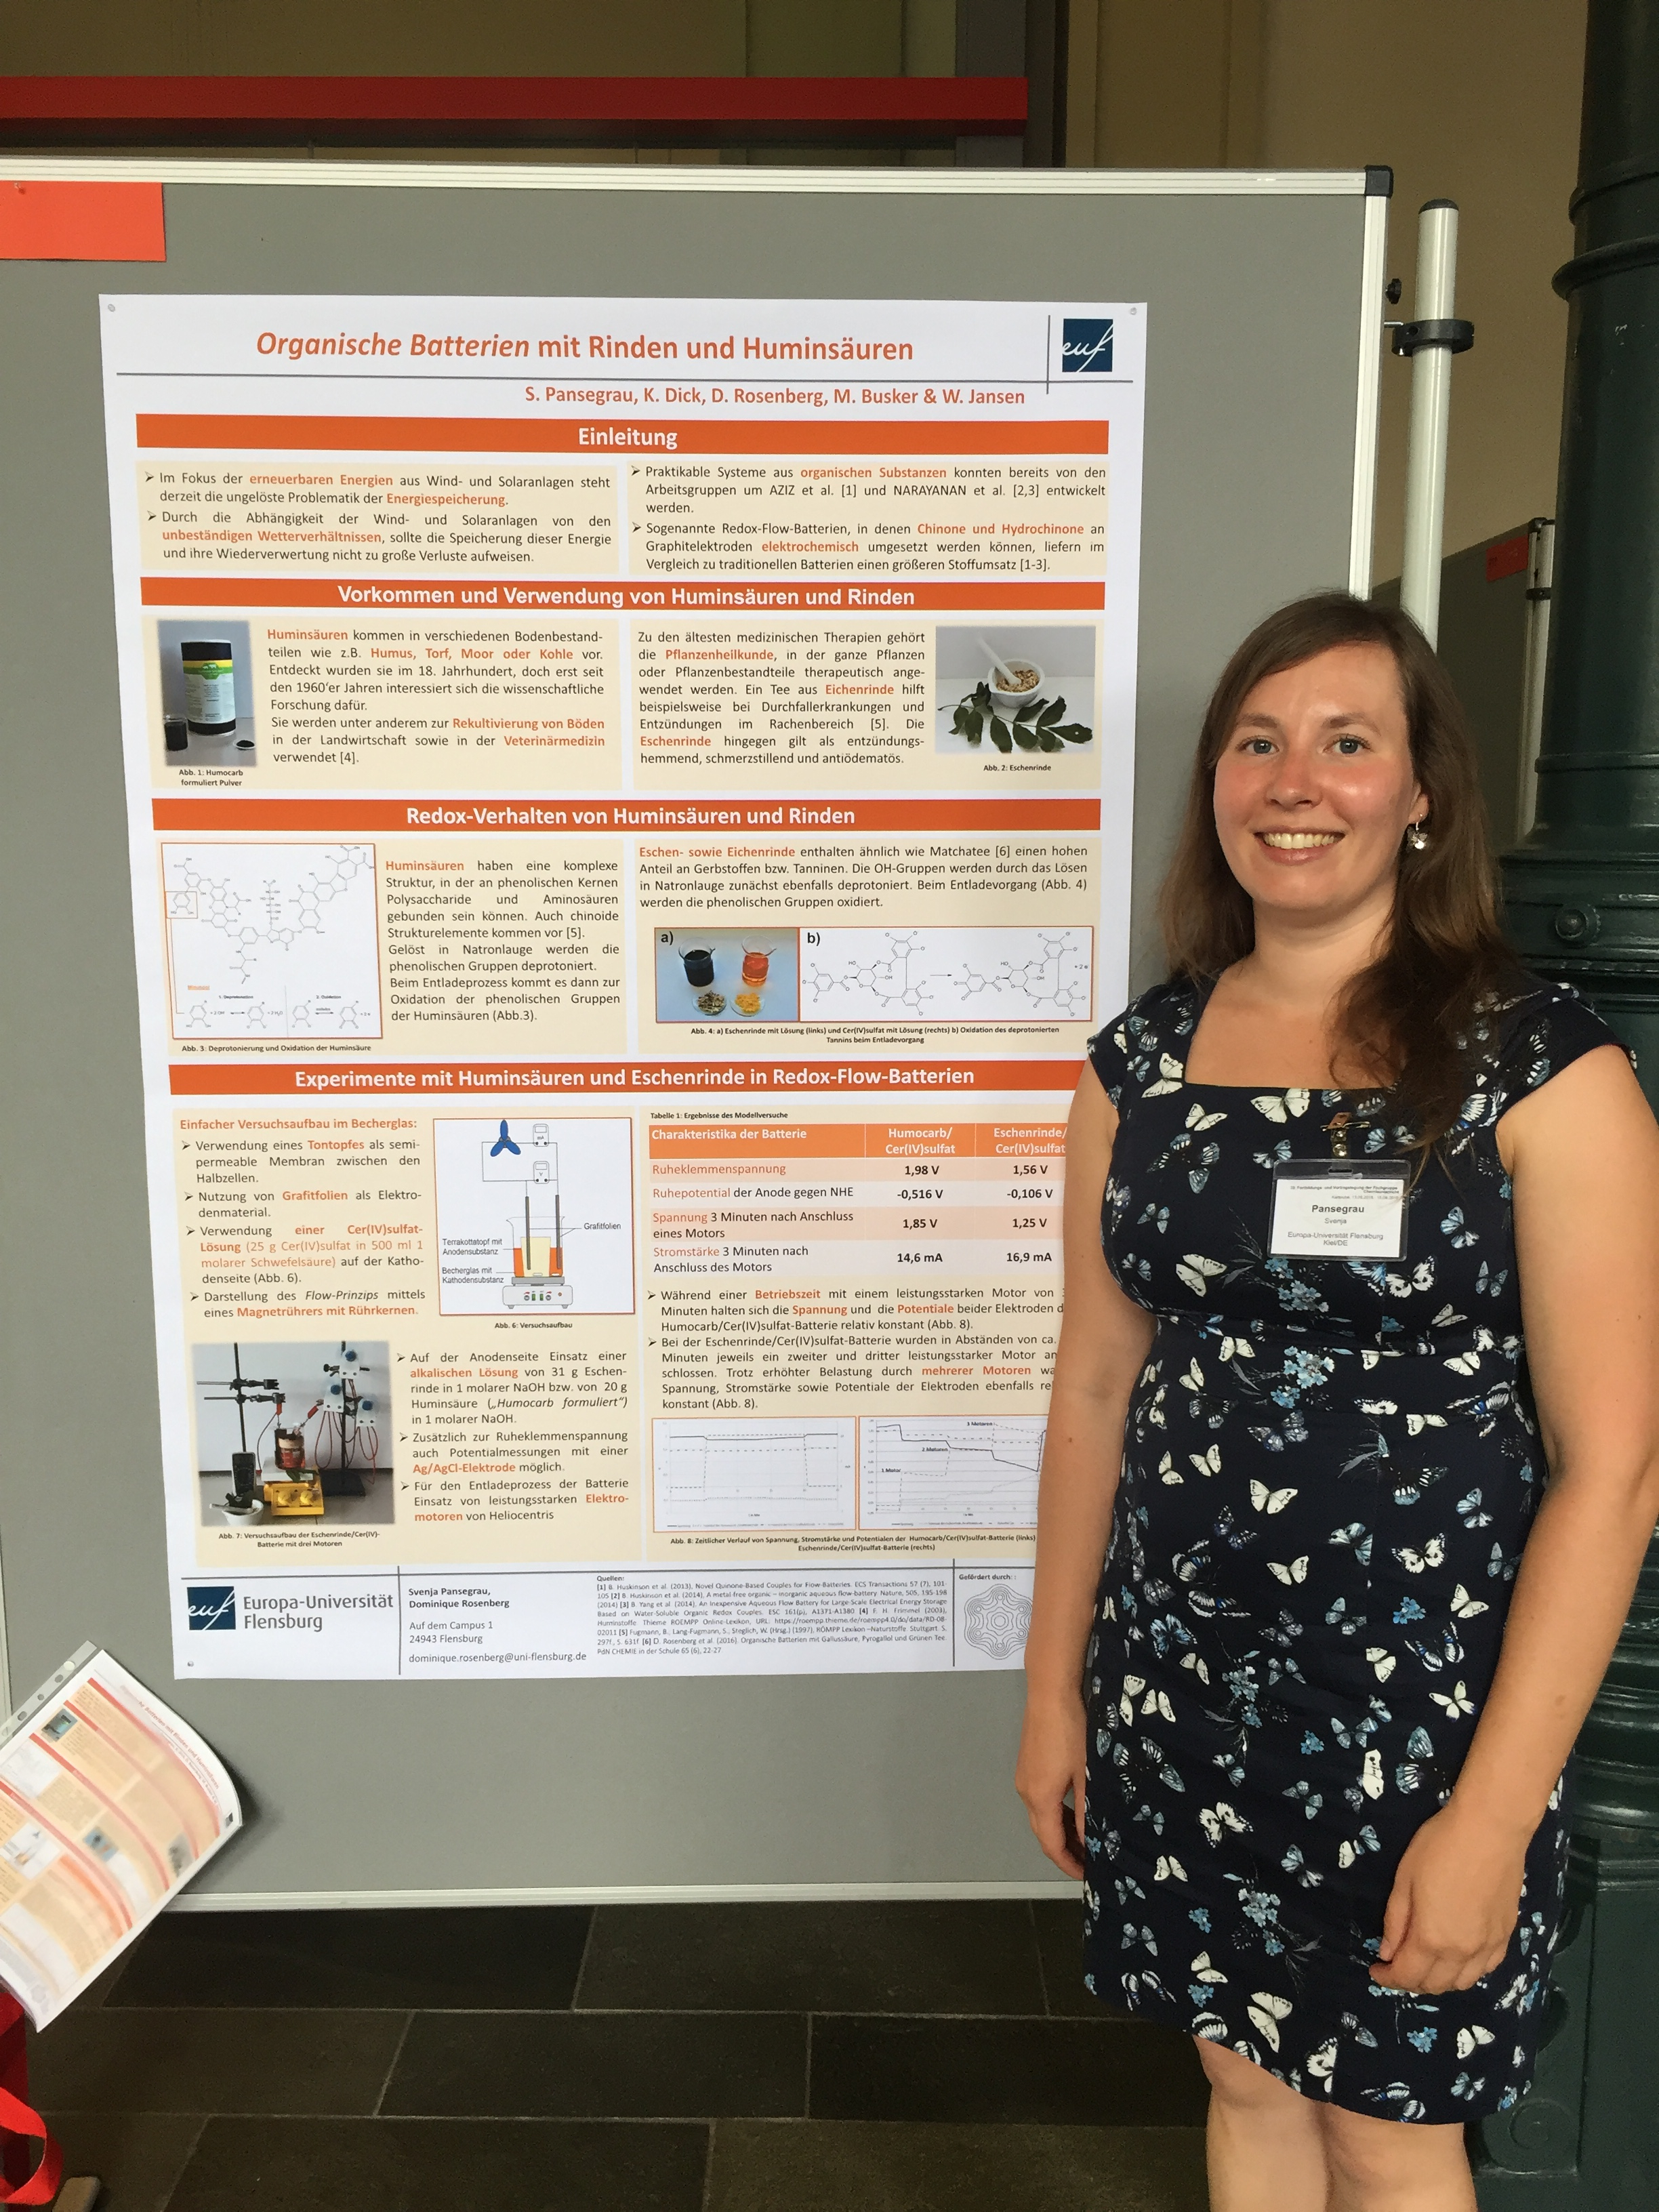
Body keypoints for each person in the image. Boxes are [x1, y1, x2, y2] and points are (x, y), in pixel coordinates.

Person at [1015, 592, 1659, 2211]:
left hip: (1422, 1718)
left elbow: (1616, 1470)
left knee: (1386, 2124)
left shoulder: (1544, 1070)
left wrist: (1492, 1817)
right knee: (1242, 2074)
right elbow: (1094, 1385)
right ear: (1216, 785)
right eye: (1258, 742)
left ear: (1422, 792)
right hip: (1181, 1682)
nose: (1294, 782)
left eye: (1347, 742)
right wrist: (1052, 1693)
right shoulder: (1138, 1068)